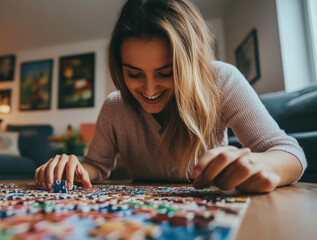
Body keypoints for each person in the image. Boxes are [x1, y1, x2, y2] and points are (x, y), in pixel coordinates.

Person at [35, 0, 307, 193]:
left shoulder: (222, 80)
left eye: (167, 72)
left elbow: (291, 154)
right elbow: (97, 166)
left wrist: (262, 164)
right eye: (135, 74)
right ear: (120, 69)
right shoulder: (115, 106)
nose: (150, 90)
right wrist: (75, 167)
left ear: (189, 64)